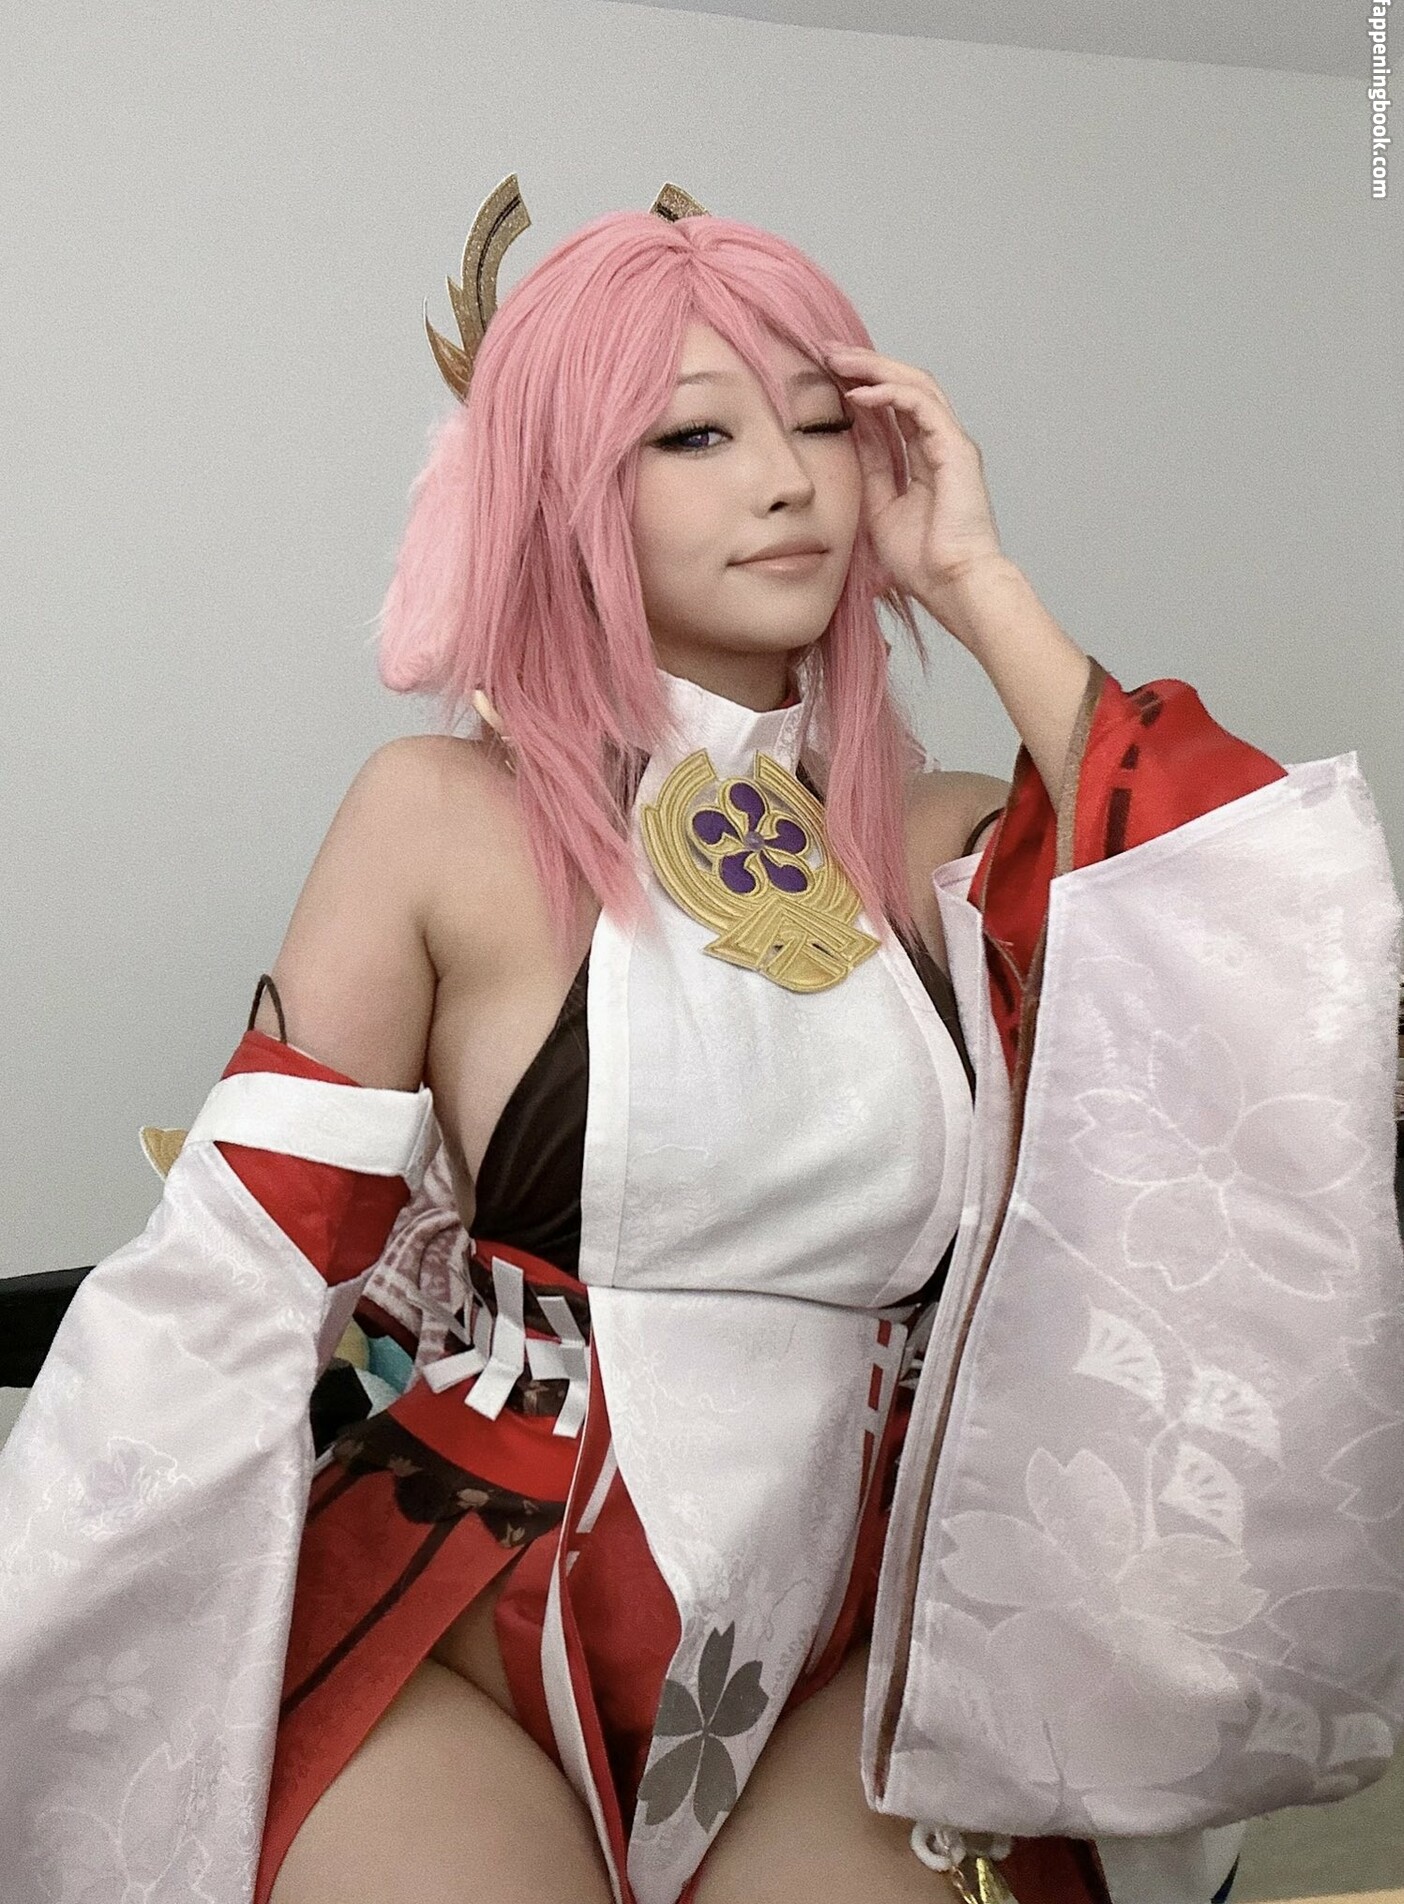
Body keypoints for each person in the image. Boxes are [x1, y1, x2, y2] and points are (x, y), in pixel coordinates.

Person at [1, 183, 1398, 1904]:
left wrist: (978, 584)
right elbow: (240, 1263)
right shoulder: (437, 817)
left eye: (821, 423)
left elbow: (1269, 949)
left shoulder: (948, 842)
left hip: (851, 1637)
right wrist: (64, 1608)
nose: (788, 480)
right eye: (696, 433)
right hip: (462, 1609)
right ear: (565, 489)